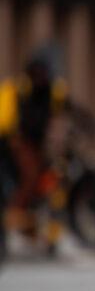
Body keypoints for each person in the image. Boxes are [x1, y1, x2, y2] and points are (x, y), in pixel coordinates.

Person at [0, 48, 70, 247]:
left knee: (51, 177)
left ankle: (40, 230)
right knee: (30, 175)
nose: (42, 77)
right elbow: (14, 124)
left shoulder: (53, 91)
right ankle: (15, 213)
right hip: (17, 141)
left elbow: (70, 110)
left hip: (37, 144)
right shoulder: (20, 90)